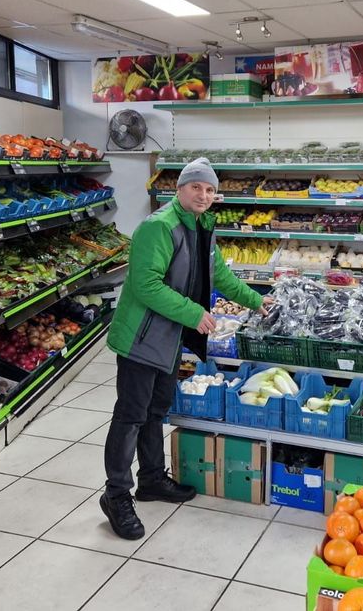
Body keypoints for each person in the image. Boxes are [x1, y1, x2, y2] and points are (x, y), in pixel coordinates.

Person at [100, 157, 269, 540]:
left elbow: (219, 275)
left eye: (210, 190)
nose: (204, 195)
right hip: (142, 338)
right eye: (197, 187)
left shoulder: (200, 225)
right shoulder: (159, 227)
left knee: (157, 410)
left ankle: (152, 479)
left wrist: (256, 301)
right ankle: (116, 495)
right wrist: (194, 313)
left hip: (169, 337)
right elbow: (145, 285)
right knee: (130, 416)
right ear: (180, 188)